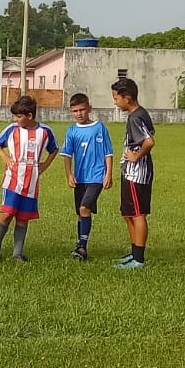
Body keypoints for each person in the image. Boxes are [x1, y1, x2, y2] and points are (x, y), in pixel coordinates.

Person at [0, 96, 58, 263]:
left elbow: (54, 149)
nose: (16, 119)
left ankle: (17, 253)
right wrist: (4, 157)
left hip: (31, 182)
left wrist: (45, 164)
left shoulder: (45, 132)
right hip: (12, 179)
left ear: (30, 116)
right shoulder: (12, 129)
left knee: (23, 217)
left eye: (19, 116)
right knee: (6, 214)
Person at [59, 92, 114, 261]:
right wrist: (69, 174)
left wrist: (108, 174)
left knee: (84, 208)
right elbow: (67, 155)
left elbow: (108, 153)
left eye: (82, 109)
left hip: (96, 177)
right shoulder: (72, 131)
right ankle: (80, 244)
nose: (79, 114)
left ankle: (82, 247)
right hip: (80, 178)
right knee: (81, 213)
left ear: (89, 108)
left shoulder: (99, 128)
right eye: (75, 111)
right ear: (71, 111)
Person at [110, 77, 155, 269]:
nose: (115, 102)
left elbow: (149, 141)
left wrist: (136, 157)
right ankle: (134, 252)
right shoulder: (139, 114)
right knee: (128, 213)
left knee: (137, 214)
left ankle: (139, 259)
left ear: (127, 98)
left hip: (137, 174)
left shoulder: (136, 117)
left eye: (116, 98)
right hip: (130, 172)